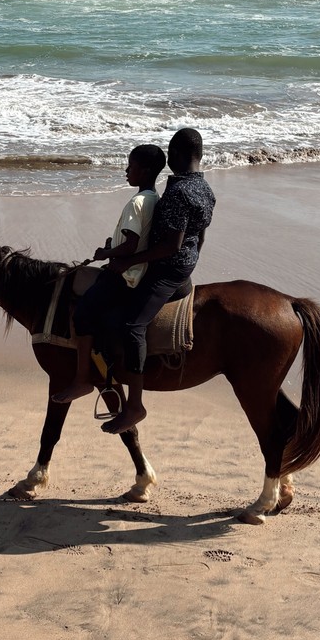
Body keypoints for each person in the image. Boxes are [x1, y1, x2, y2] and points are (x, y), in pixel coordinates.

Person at [100, 127, 215, 435]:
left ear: (175, 154)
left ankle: (135, 406)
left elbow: (170, 246)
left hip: (166, 269)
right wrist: (191, 264)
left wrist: (126, 261)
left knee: (132, 326)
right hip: (185, 266)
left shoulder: (178, 192)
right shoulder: (205, 189)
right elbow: (200, 235)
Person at [52, 144, 165, 404]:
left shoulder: (136, 202)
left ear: (145, 170)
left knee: (81, 313)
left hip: (126, 275)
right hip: (137, 271)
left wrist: (106, 254)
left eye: (131, 165)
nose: (126, 170)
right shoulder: (152, 198)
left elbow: (132, 244)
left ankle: (82, 380)